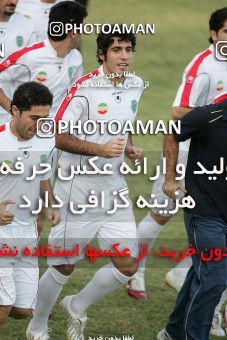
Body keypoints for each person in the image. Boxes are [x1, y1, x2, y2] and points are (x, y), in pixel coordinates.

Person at [26, 25, 144, 339]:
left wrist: (127, 147)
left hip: (114, 188)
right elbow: (58, 134)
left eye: (128, 49)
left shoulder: (135, 84)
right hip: (78, 189)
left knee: (127, 264)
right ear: (101, 54)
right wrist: (101, 150)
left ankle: (76, 306)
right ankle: (36, 326)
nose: (123, 56)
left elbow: (122, 123)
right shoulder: (84, 89)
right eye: (116, 50)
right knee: (64, 265)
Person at [127, 6, 227, 337]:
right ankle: (134, 270)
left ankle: (190, 282)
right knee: (161, 214)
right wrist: (215, 116)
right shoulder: (204, 65)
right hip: (187, 151)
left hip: (218, 158)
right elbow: (177, 111)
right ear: (214, 34)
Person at [157, 99, 227, 340]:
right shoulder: (209, 115)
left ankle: (173, 332)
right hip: (205, 213)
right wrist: (169, 178)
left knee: (202, 272)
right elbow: (172, 132)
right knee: (215, 279)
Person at [0, 81, 60, 330]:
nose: (40, 124)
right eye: (34, 117)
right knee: (3, 307)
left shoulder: (45, 140)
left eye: (45, 117)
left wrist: (50, 202)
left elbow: (42, 175)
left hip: (26, 234)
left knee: (23, 310)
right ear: (15, 111)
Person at [0, 0, 86, 125]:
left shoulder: (76, 59)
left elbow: (74, 97)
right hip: (23, 136)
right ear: (72, 33)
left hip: (55, 134)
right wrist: (15, 112)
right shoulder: (29, 56)